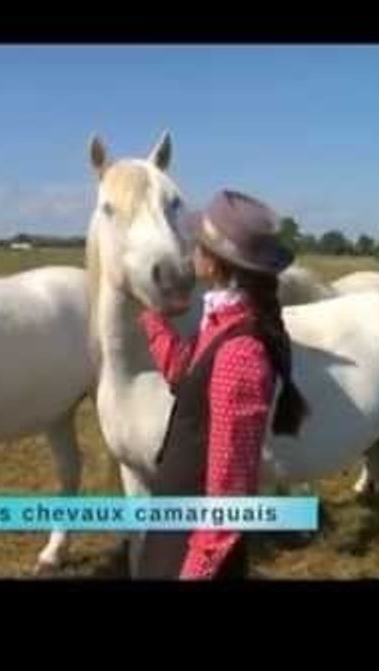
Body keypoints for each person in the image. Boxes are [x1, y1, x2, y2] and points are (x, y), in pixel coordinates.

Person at [134, 189, 310, 580]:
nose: (191, 249)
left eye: (198, 242)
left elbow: (230, 491)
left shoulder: (240, 353)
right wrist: (153, 319)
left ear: (214, 261)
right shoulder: (223, 319)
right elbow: (187, 374)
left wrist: (197, 569)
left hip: (195, 546)